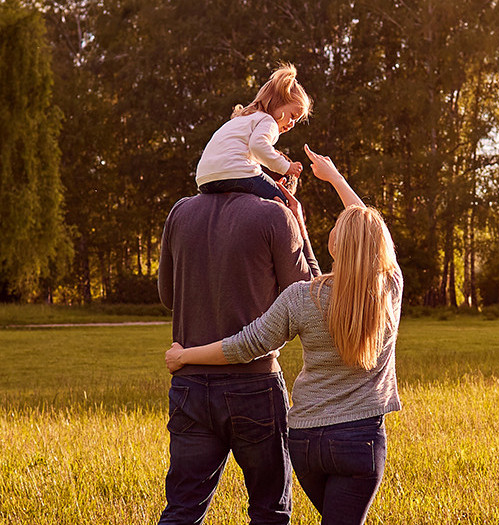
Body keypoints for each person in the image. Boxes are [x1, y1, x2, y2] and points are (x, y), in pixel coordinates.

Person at [168, 147, 399, 525]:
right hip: (359, 440)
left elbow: (246, 344)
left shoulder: (302, 299)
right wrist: (336, 178)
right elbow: (374, 236)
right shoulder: (390, 289)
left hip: (306, 441)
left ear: (334, 244)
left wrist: (186, 356)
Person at [158, 137, 323, 523]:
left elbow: (168, 295)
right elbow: (308, 298)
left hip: (190, 385)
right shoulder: (274, 216)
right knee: (269, 511)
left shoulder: (180, 212)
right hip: (254, 385)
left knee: (182, 510)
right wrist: (297, 222)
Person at [194, 64, 311, 205]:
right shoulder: (268, 121)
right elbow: (258, 146)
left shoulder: (242, 119)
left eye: (295, 121)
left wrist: (267, 182)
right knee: (284, 201)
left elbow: (251, 152)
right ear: (277, 102)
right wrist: (286, 167)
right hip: (235, 172)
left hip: (205, 178)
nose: (292, 124)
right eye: (292, 116)